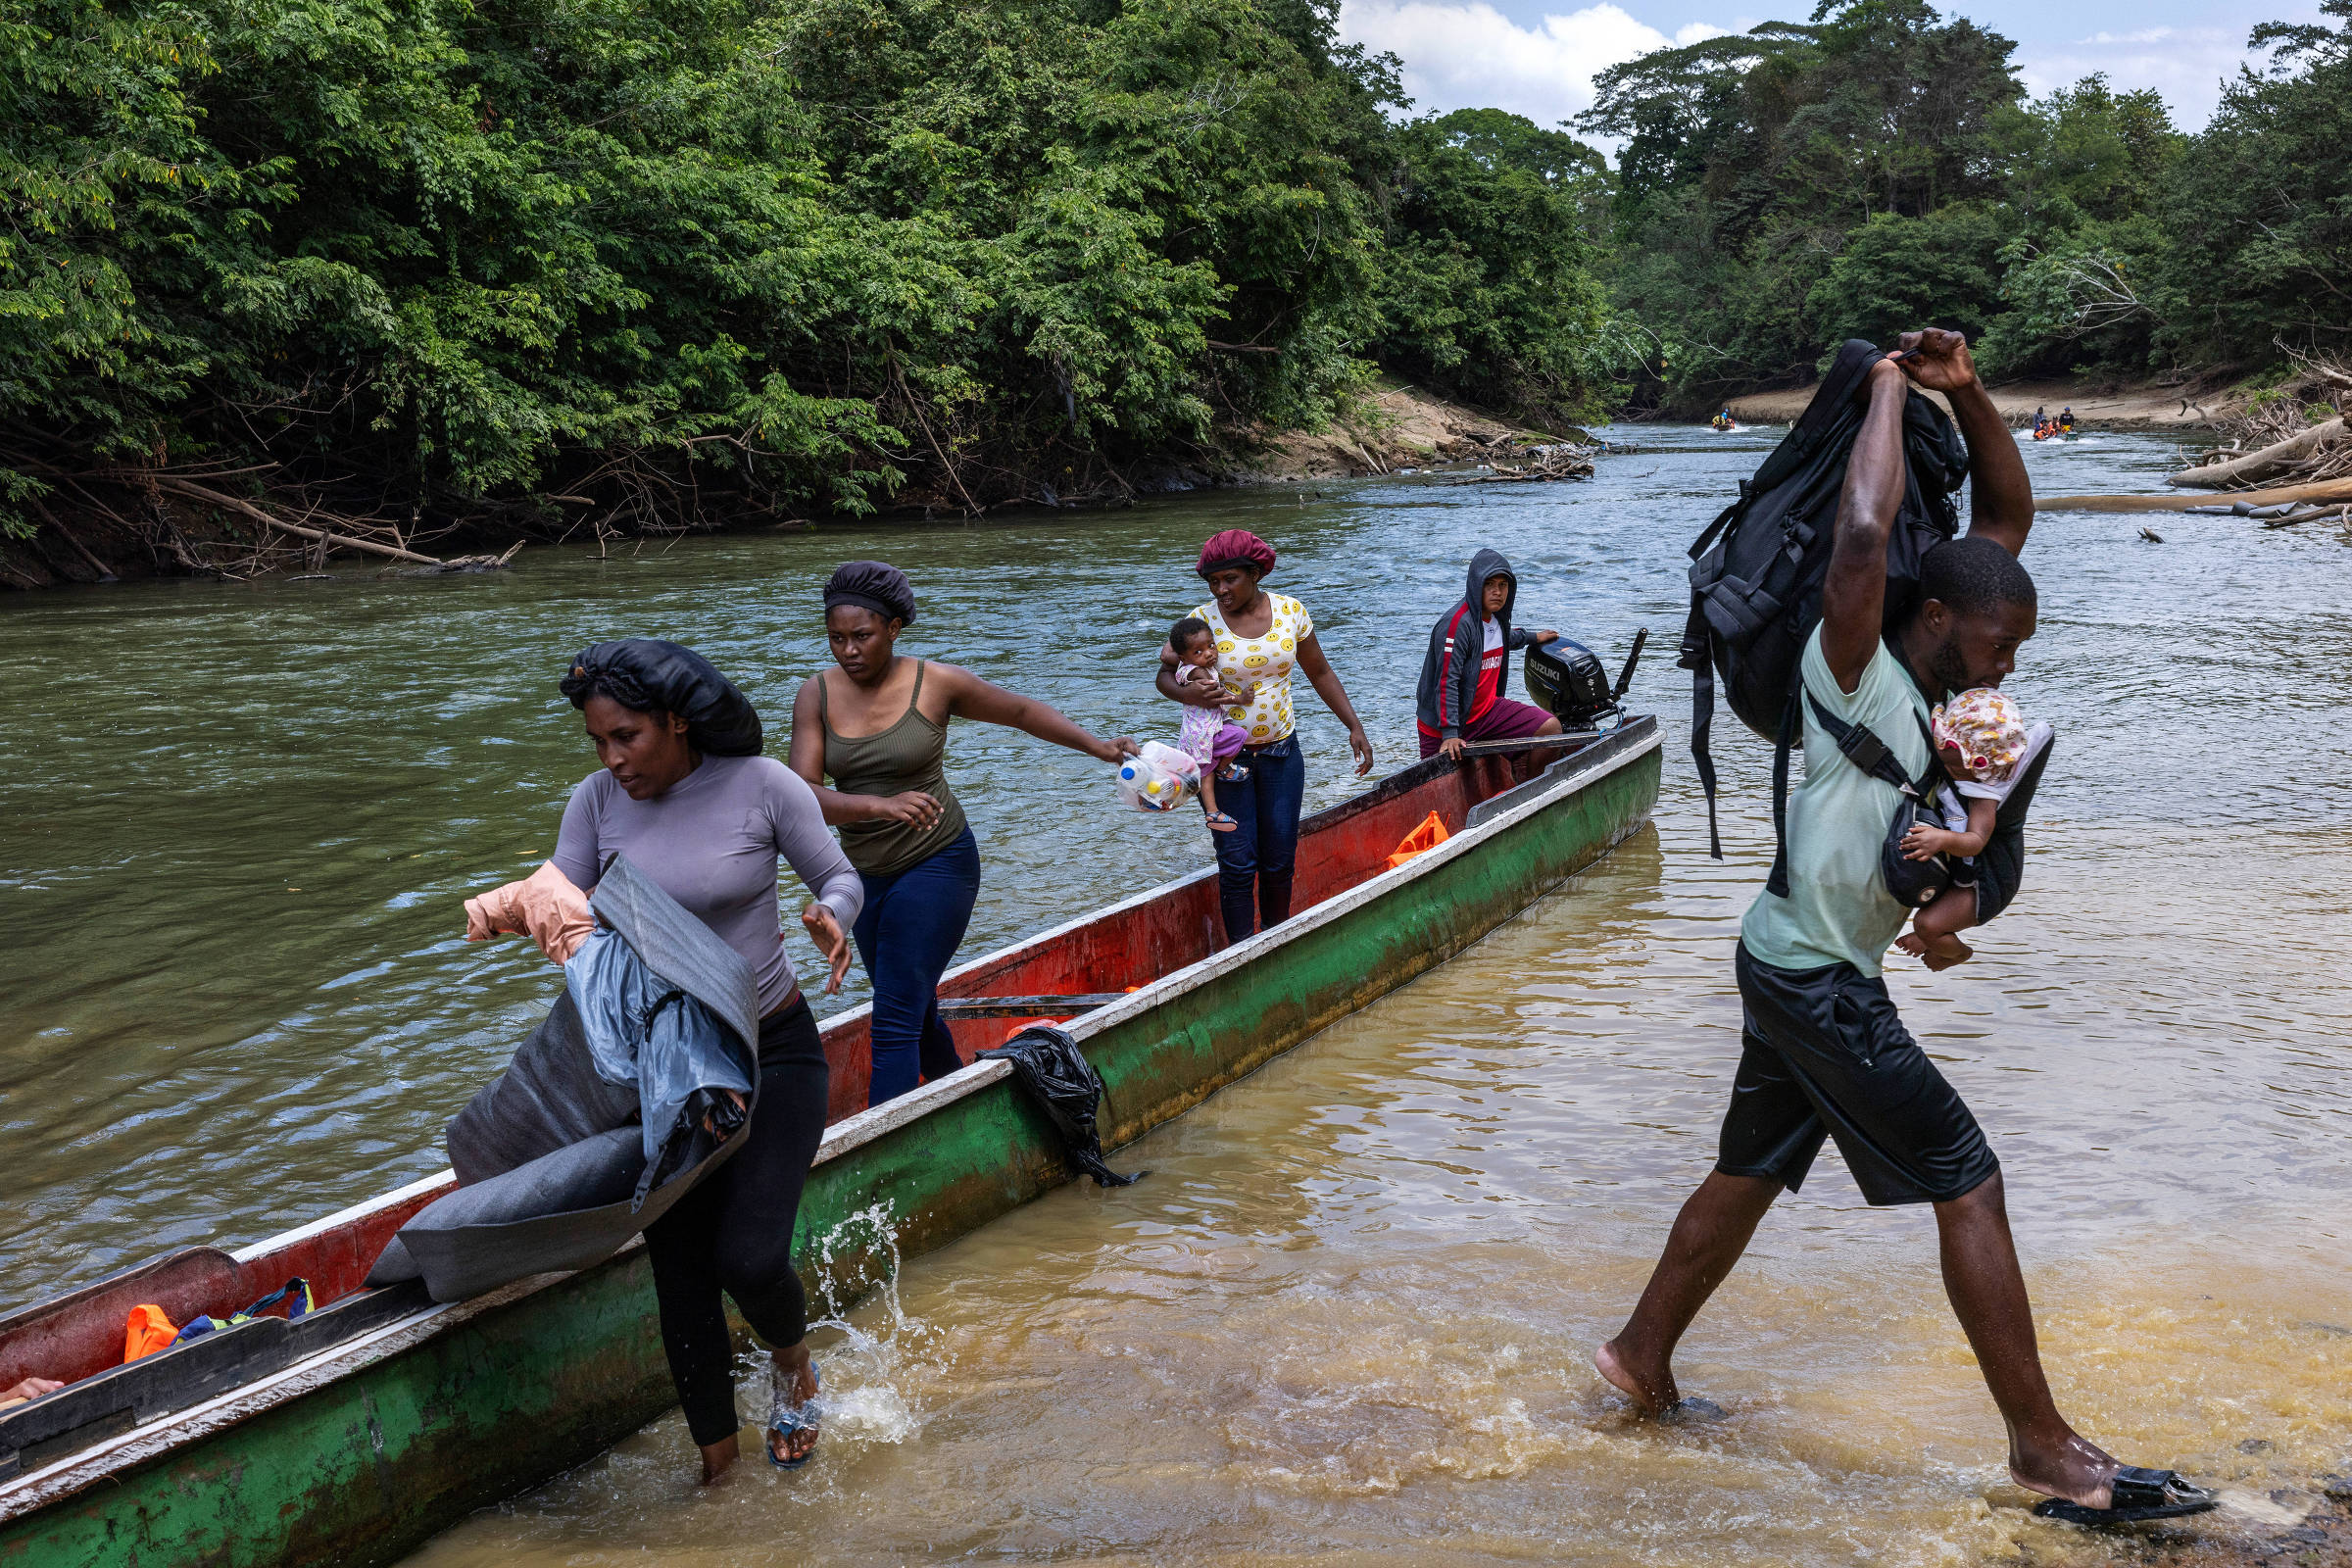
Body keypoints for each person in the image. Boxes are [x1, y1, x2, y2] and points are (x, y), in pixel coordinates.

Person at [1594, 328, 2214, 1527]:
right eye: (2002, 641)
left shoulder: (1941, 696)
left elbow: (2008, 522)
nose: (2011, 661)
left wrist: (1970, 392)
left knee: (1751, 1168)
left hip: (1789, 961)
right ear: (1937, 615)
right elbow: (1867, 537)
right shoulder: (1856, 666)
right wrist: (1880, 385)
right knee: (1968, 1179)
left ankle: (1637, 1356)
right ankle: (2044, 1448)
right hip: (1819, 981)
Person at [551, 639, 861, 1480]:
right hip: (666, 1076)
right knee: (681, 1277)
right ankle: (717, 1477)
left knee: (749, 1259)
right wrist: (524, 910)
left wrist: (831, 914)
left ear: (678, 724)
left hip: (772, 1051)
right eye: (599, 743)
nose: (614, 760)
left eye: (628, 738)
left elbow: (839, 874)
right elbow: (561, 897)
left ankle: (793, 1365)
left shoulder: (763, 786)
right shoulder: (595, 803)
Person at [790, 562, 1137, 1105]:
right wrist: (875, 805)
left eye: (862, 636)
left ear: (894, 629)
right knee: (914, 1005)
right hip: (864, 877)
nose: (849, 650)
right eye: (837, 638)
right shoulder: (817, 695)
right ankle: (965, 1098)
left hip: (938, 862)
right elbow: (802, 794)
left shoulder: (936, 683)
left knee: (894, 1018)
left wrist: (1100, 747)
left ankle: (889, 1154)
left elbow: (1020, 711)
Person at [1157, 530, 1374, 946]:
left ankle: (1277, 943)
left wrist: (1354, 725)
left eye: (1230, 580)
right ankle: (1240, 952)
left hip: (1281, 756)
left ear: (1255, 573)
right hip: (1223, 764)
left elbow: (1321, 673)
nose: (1221, 590)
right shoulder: (1200, 623)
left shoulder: (1292, 612)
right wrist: (1186, 692)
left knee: (1278, 862)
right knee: (1238, 863)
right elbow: (1164, 674)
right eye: (1213, 583)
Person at [1894, 687, 2052, 969]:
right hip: (1966, 871)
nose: (1946, 766)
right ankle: (1932, 935)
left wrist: (1940, 839)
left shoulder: (1985, 795)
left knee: (1926, 923)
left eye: (1953, 765)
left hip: (1987, 883)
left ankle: (1955, 953)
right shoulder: (1965, 770)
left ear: (1980, 764)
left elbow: (1976, 840)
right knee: (1923, 913)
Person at [1416, 549, 1562, 760]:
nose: (1497, 592)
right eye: (1489, 584)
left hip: (1486, 715)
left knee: (1551, 729)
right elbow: (1447, 681)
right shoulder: (1457, 625)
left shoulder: (1496, 621)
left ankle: (1532, 786)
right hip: (1443, 728)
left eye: (1503, 585)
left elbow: (1505, 638)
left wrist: (1533, 637)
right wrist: (1449, 734)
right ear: (1476, 586)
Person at [1165, 614, 1249, 832]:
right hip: (1202, 735)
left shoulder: (1198, 666)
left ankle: (1213, 811)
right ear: (1183, 657)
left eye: (1211, 645)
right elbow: (1215, 696)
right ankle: (1223, 771)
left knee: (1206, 773)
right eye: (1199, 652)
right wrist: (1239, 699)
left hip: (1202, 731)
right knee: (1237, 737)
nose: (1210, 653)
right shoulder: (1198, 672)